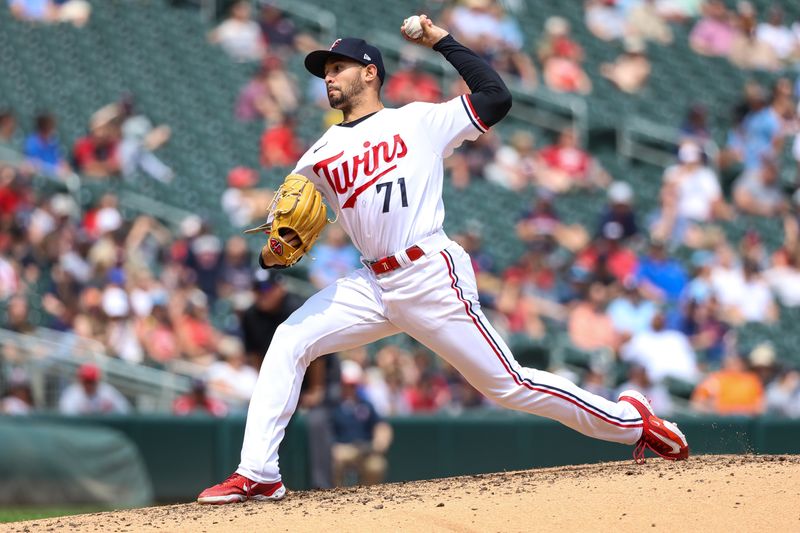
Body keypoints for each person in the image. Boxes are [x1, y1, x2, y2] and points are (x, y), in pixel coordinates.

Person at [197, 15, 688, 505]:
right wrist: (274, 253)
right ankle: (259, 472)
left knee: (509, 385)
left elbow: (496, 97)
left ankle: (631, 422)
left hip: (430, 272)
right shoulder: (317, 155)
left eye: (339, 66)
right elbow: (282, 235)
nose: (328, 75)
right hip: (371, 285)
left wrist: (442, 41)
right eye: (324, 69)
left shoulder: (417, 120)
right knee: (289, 339)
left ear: (370, 72)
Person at [58, 363, 131, 415]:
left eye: (91, 382)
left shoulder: (107, 392)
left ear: (98, 381)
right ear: (80, 381)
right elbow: (67, 416)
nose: (89, 385)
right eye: (86, 381)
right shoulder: (72, 394)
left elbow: (125, 410)